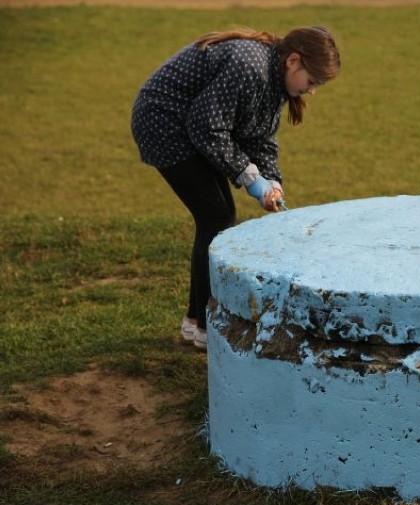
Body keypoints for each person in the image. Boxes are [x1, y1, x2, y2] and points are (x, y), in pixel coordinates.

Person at [131, 26, 341, 349]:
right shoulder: (250, 67)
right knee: (216, 216)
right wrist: (252, 181)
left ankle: (194, 324)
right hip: (164, 122)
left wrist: (273, 183)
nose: (312, 91)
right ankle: (205, 328)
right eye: (312, 82)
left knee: (217, 215)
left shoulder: (274, 81)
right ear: (294, 61)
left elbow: (260, 137)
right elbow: (206, 128)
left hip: (190, 127)